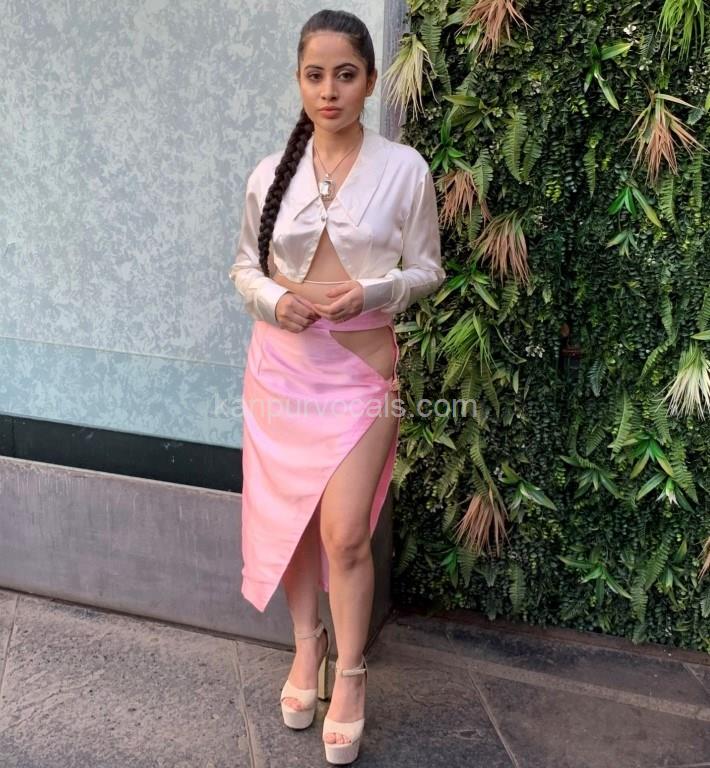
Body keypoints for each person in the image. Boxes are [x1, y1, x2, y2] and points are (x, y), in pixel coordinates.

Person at [228, 9, 444, 764]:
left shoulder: (405, 169)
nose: (330, 90)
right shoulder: (268, 172)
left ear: (370, 82)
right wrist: (272, 301)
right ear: (298, 80)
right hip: (280, 371)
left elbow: (428, 269)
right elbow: (244, 267)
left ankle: (350, 675)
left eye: (345, 75)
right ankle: (306, 646)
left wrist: (374, 292)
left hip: (360, 373)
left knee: (345, 531)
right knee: (290, 523)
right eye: (315, 75)